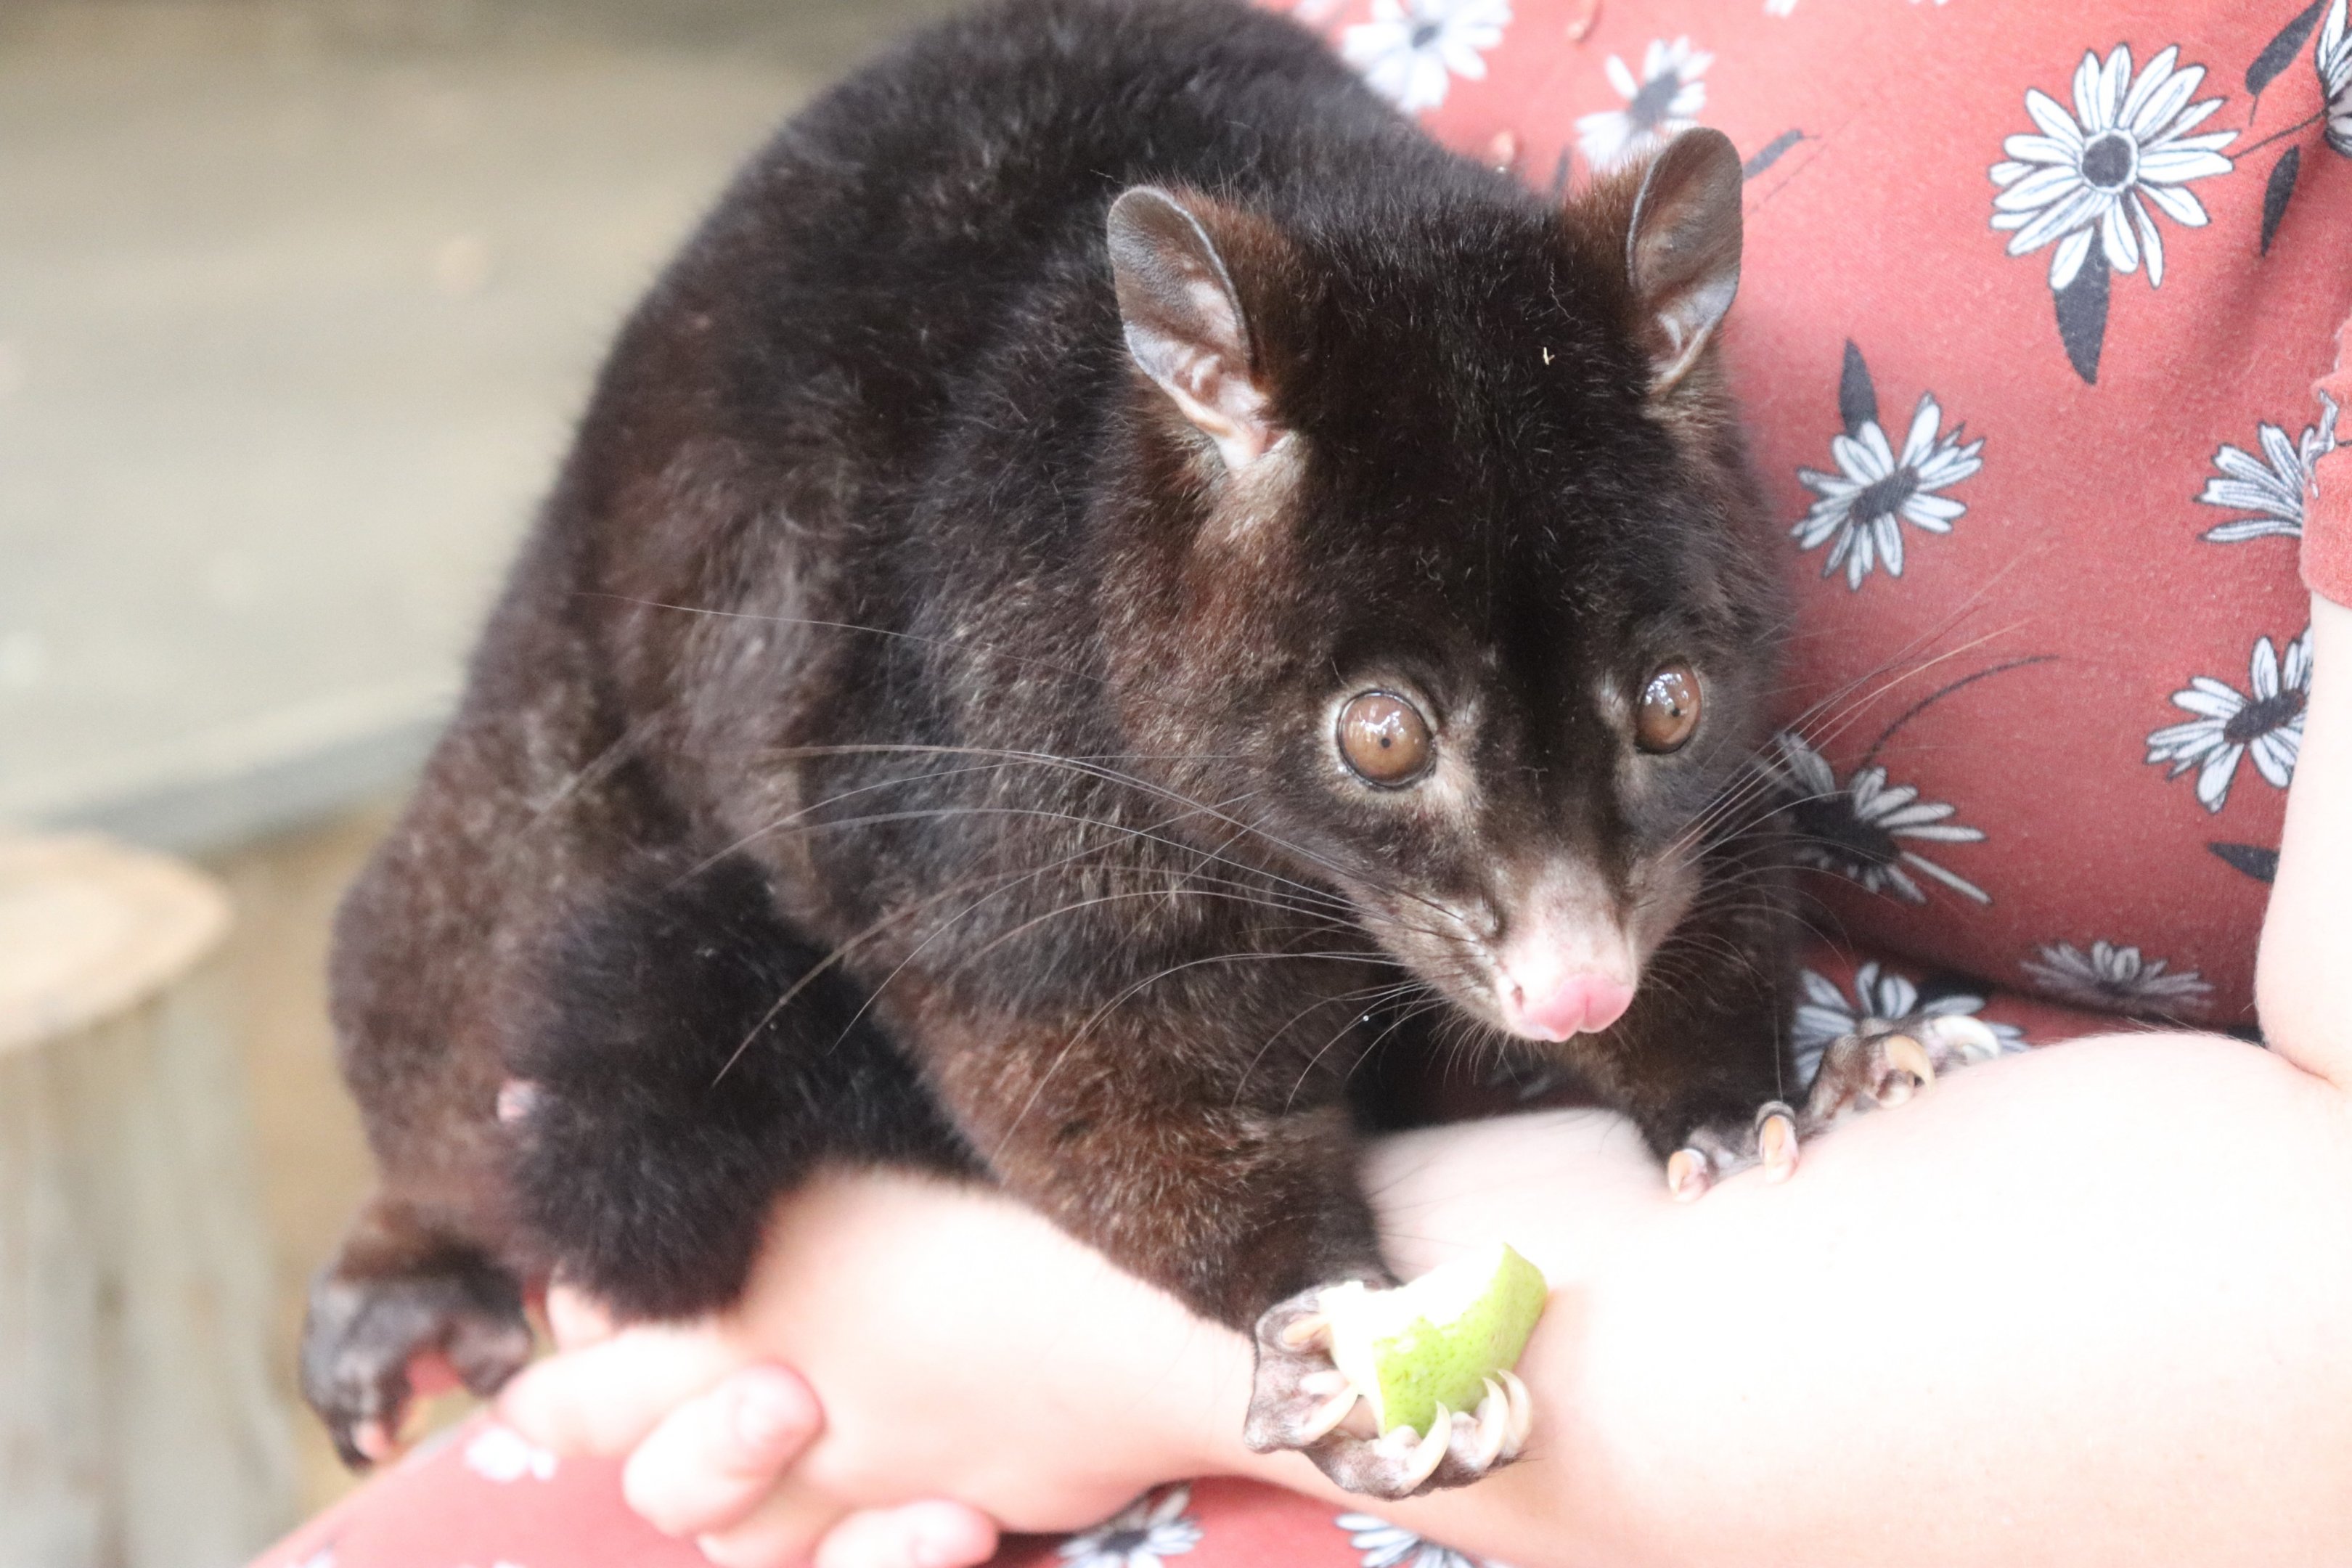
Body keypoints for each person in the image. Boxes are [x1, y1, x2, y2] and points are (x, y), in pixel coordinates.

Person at [253, 0, 2352, 1564]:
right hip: (948, 1025)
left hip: (1958, 1354)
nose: (1574, 968)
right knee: (508, 1080)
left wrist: (1043, 1347)